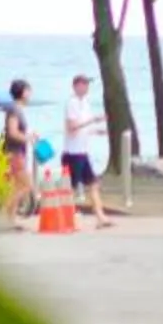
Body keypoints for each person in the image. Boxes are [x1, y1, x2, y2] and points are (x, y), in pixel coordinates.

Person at [61, 73, 112, 228]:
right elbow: (72, 128)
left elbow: (84, 128)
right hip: (72, 153)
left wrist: (97, 131)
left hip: (83, 152)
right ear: (76, 86)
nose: (86, 87)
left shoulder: (86, 103)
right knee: (70, 188)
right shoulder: (72, 103)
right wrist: (92, 120)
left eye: (87, 84)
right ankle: (66, 219)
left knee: (93, 184)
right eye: (83, 84)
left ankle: (100, 217)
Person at [0, 80, 35, 231]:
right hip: (14, 153)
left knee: (16, 186)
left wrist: (28, 136)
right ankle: (4, 214)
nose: (30, 93)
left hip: (18, 152)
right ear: (22, 92)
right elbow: (12, 132)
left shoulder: (17, 109)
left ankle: (10, 220)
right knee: (26, 185)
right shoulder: (14, 110)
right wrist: (28, 138)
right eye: (28, 90)